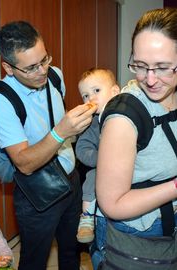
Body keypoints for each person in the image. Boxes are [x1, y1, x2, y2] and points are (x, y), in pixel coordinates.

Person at [0, 21, 96, 270]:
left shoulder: (55, 74)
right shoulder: (0, 101)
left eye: (44, 59)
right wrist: (60, 133)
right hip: (36, 194)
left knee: (72, 252)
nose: (42, 71)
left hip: (72, 180)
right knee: (34, 260)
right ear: (9, 67)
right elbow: (24, 163)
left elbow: (59, 116)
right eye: (31, 68)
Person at [92, 7, 177, 270]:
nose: (150, 80)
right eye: (140, 66)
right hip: (141, 238)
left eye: (162, 68)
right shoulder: (124, 117)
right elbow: (112, 204)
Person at [75, 68, 120, 243]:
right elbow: (82, 148)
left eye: (96, 91)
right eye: (85, 95)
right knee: (91, 177)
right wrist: (102, 158)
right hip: (103, 168)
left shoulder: (127, 112)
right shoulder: (91, 123)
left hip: (130, 166)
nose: (91, 98)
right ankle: (86, 217)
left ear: (115, 91)